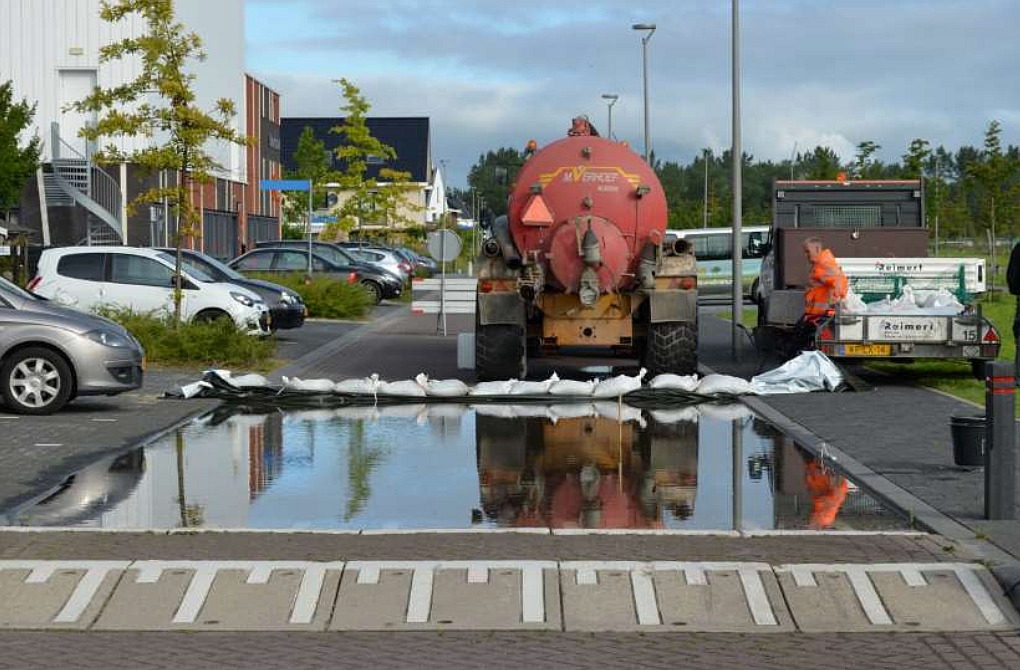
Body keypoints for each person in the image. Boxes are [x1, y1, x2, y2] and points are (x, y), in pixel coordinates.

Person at [790, 237, 849, 354]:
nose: (806, 255)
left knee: (799, 343)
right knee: (801, 342)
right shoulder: (820, 263)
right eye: (805, 252)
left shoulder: (824, 263)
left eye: (808, 251)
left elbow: (839, 280)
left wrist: (835, 298)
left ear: (817, 249)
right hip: (815, 315)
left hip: (821, 316)